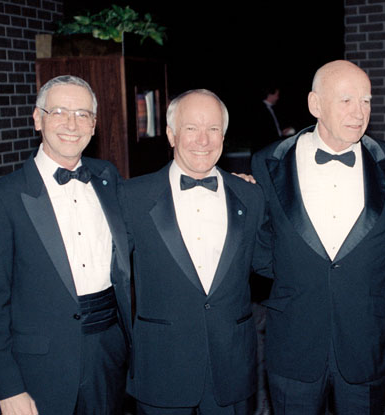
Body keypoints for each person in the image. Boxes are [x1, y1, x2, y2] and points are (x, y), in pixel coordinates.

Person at [250, 60, 385, 414]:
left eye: (366, 101)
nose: (359, 112)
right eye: (346, 100)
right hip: (294, 344)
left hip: (367, 344)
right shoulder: (267, 162)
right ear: (315, 105)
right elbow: (258, 244)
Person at [0, 75, 132, 415]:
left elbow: (156, 203)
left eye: (83, 114)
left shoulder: (108, 178)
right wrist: (8, 386)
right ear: (37, 118)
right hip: (38, 368)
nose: (72, 124)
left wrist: (229, 183)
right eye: (59, 111)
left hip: (109, 355)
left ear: (94, 125)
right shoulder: (2, 198)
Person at [119, 89, 269, 415]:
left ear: (224, 136)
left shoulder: (251, 196)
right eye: (191, 128)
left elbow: (270, 264)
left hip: (232, 370)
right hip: (161, 371)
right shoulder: (132, 198)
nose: (203, 139)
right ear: (171, 135)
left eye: (213, 129)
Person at [251, 85, 295, 153]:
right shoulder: (259, 110)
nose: (278, 98)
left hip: (272, 146)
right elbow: (261, 132)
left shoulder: (272, 109)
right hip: (264, 149)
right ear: (270, 95)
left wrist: (281, 132)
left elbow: (271, 128)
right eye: (276, 95)